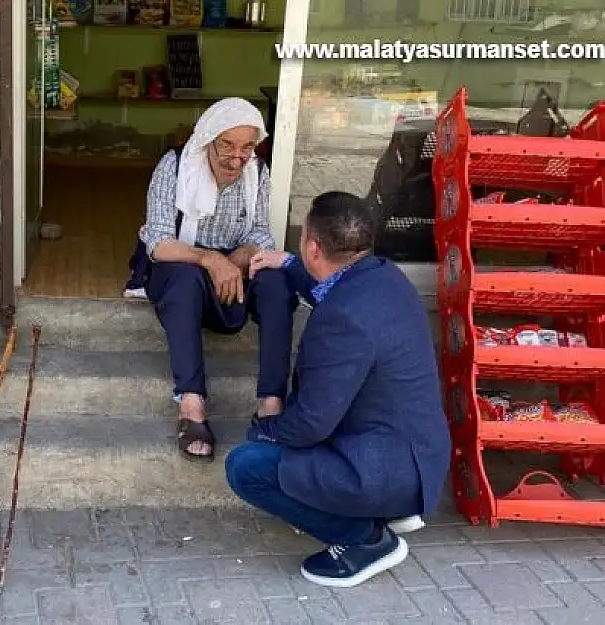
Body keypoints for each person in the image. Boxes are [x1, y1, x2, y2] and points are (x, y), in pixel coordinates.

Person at [226, 191, 450, 588]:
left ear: (314, 246)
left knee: (247, 465)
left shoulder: (341, 321)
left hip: (384, 471)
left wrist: (264, 426)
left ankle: (365, 539)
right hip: (419, 458)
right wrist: (290, 265)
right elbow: (329, 288)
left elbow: (310, 425)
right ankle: (381, 511)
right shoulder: (383, 276)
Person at [126, 97, 298, 462]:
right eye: (227, 145)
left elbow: (261, 235)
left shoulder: (258, 173)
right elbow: (157, 241)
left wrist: (233, 262)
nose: (237, 158)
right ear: (207, 139)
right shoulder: (174, 166)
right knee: (187, 279)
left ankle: (271, 403)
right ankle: (192, 404)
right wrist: (209, 259)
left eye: (247, 147)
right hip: (180, 266)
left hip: (231, 268)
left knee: (277, 283)